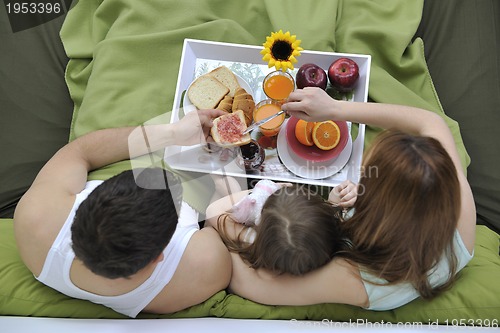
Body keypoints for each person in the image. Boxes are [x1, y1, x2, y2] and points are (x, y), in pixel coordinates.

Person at [227, 87, 476, 311]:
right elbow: (431, 121)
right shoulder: (458, 201)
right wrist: (335, 108)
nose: (363, 174)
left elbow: (253, 283)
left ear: (375, 206)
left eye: (367, 174)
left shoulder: (361, 279)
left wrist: (222, 218)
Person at [13, 109, 232, 318]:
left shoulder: (35, 217)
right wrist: (226, 184)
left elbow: (80, 151)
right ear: (158, 257)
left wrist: (172, 132)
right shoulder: (205, 267)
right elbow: (220, 218)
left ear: (85, 204)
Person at [205, 178, 356, 276]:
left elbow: (212, 211)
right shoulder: (328, 243)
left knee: (226, 183)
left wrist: (259, 194)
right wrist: (333, 203)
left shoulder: (254, 240)